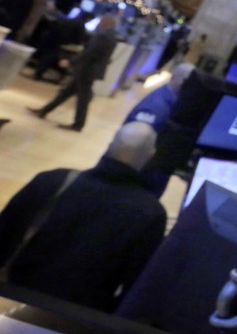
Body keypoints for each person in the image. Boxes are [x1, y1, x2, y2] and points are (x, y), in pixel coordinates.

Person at [0, 122, 167, 312]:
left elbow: (3, 232)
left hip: (13, 299)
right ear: (151, 156)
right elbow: (136, 286)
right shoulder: (150, 214)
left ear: (109, 146)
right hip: (75, 316)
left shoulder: (51, 180)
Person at [27, 14, 120, 131]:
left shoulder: (102, 36)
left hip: (86, 70)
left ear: (105, 22)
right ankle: (45, 111)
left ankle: (78, 124)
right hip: (91, 71)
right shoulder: (112, 37)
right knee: (67, 93)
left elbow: (89, 54)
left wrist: (71, 61)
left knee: (82, 99)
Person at [122, 63, 194, 196]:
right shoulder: (156, 106)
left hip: (153, 173)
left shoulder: (174, 100)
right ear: (177, 78)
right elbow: (132, 146)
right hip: (137, 178)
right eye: (188, 81)